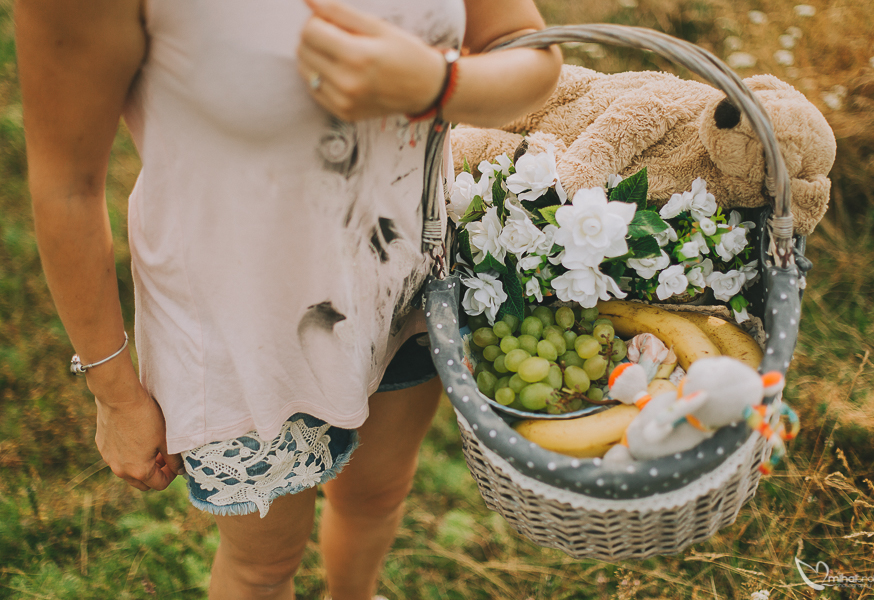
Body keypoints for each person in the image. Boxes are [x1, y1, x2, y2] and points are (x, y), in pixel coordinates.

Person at [15, 0, 561, 598]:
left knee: (376, 500)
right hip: (243, 332)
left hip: (402, 291)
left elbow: (527, 52)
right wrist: (113, 392)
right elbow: (66, 183)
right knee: (263, 567)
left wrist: (438, 83)